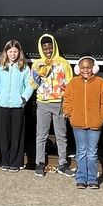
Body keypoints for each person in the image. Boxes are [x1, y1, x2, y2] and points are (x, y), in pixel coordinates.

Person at [62, 56, 103, 189]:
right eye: (83, 67)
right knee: (81, 151)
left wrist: (102, 117)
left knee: (92, 152)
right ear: (78, 69)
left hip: (95, 124)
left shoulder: (101, 82)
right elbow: (67, 100)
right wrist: (71, 114)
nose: (85, 70)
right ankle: (81, 178)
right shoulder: (73, 83)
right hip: (77, 123)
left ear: (94, 68)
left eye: (88, 67)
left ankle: (92, 179)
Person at [30, 33, 73, 177]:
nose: (48, 50)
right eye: (45, 48)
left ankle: (63, 163)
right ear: (41, 49)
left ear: (54, 47)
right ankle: (39, 163)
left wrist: (67, 101)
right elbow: (33, 84)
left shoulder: (63, 63)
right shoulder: (37, 64)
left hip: (59, 103)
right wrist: (36, 76)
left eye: (50, 47)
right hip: (43, 103)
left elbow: (70, 83)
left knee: (61, 135)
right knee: (41, 135)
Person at [0, 39, 34, 171]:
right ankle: (6, 160)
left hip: (17, 105)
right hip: (3, 104)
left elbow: (30, 85)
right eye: (10, 51)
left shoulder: (24, 68)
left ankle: (16, 162)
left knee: (17, 134)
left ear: (19, 52)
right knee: (4, 135)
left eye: (15, 51)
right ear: (6, 52)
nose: (13, 54)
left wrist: (24, 97)